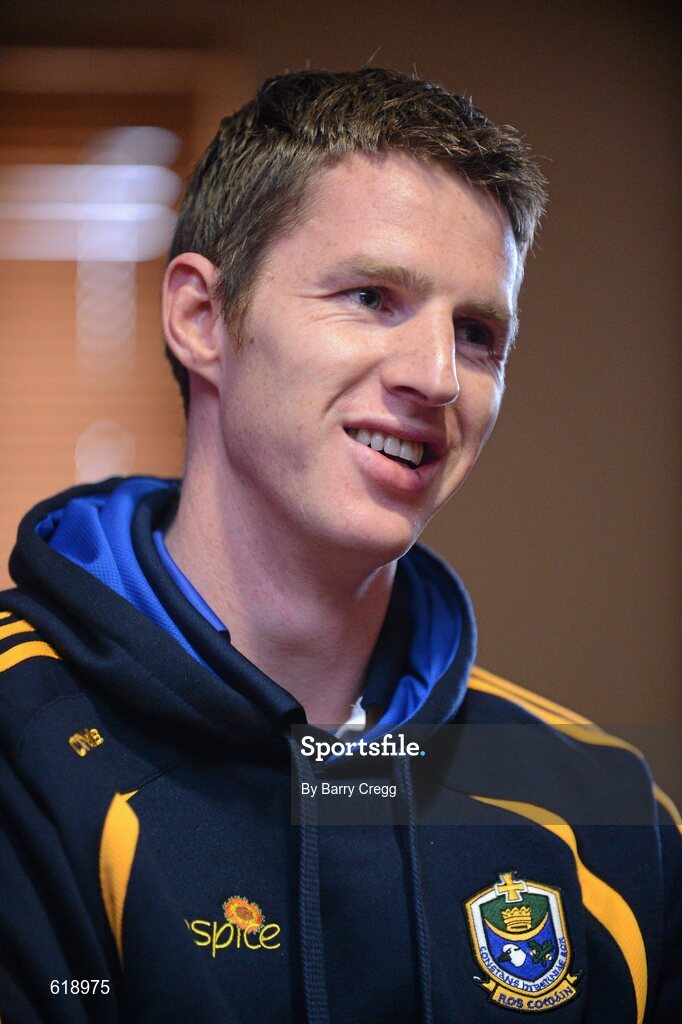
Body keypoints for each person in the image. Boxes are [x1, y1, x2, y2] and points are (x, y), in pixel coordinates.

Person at [0, 68, 678, 1024]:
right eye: (371, 297)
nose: (439, 378)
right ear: (201, 318)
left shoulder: (608, 802)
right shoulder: (19, 744)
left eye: (479, 333)